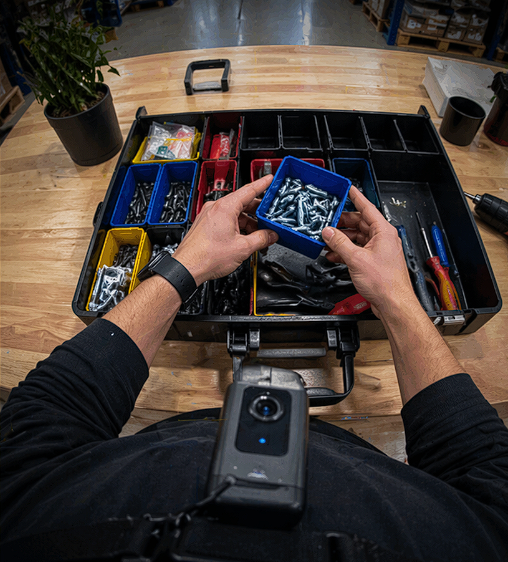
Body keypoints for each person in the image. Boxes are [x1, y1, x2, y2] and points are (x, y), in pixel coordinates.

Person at [1, 176, 507, 561]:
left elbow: (43, 419)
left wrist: (187, 265)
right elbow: (482, 464)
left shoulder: (21, 524)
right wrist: (396, 297)